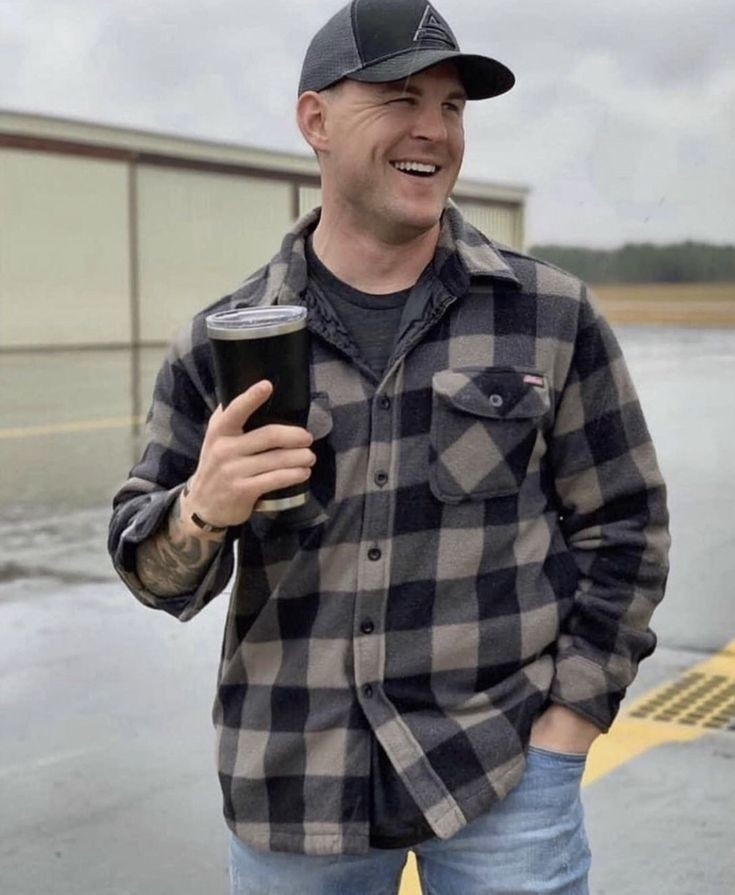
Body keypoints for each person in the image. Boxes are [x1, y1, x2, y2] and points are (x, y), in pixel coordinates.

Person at [109, 1, 670, 892]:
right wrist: (202, 511)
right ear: (315, 120)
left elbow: (627, 528)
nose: (433, 130)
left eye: (451, 106)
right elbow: (152, 575)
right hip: (292, 792)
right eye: (400, 98)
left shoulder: (547, 316)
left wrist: (569, 722)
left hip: (500, 777)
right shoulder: (223, 343)